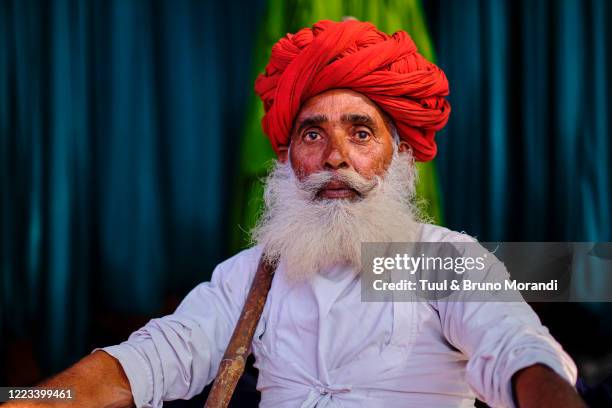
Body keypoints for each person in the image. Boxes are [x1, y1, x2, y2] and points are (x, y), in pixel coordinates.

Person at [5, 20, 586, 408]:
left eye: (361, 132)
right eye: (313, 134)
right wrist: (26, 399)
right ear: (286, 157)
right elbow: (142, 363)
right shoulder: (250, 275)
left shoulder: (439, 260)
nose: (336, 157)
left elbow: (517, 351)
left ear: (399, 155)